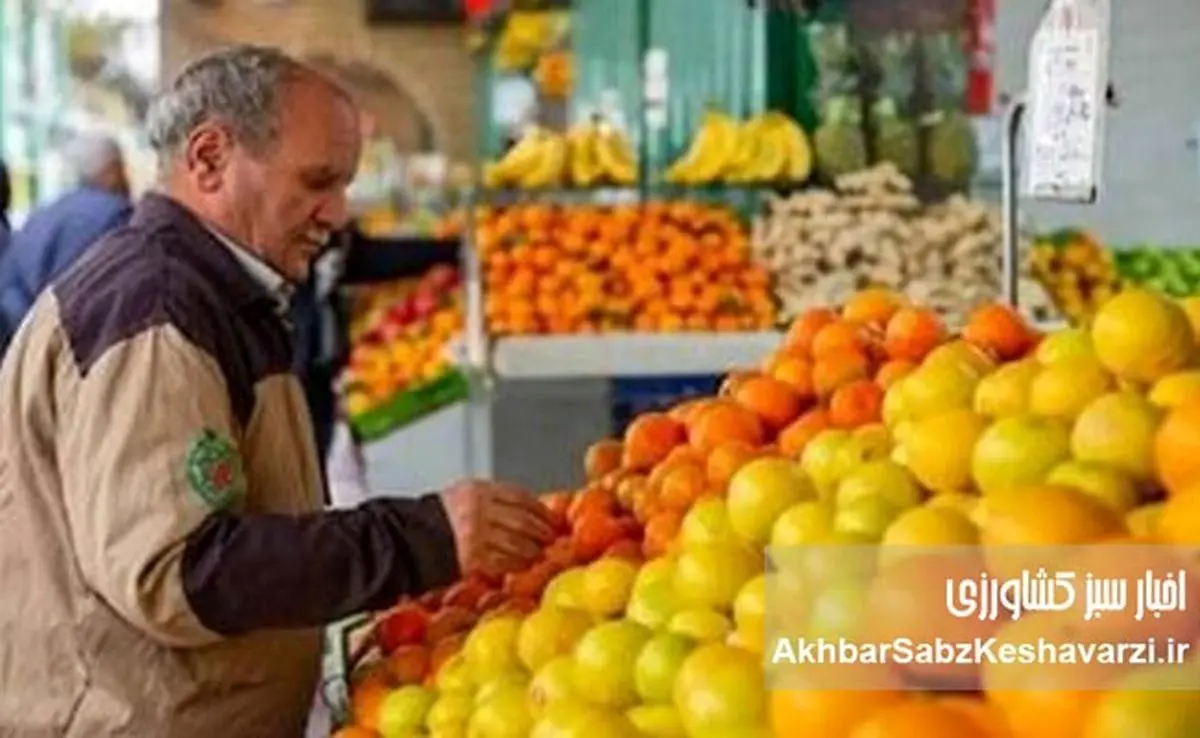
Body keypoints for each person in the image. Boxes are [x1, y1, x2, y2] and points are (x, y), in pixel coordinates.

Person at [0, 44, 554, 736]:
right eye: (318, 181)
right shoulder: (159, 308)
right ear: (208, 159)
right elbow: (180, 570)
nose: (338, 213)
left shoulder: (217, 291)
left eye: (345, 184)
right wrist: (420, 538)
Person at [0, 134, 131, 352]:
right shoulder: (118, 215)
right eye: (122, 168)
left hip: (17, 343)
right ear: (111, 170)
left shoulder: (44, 212)